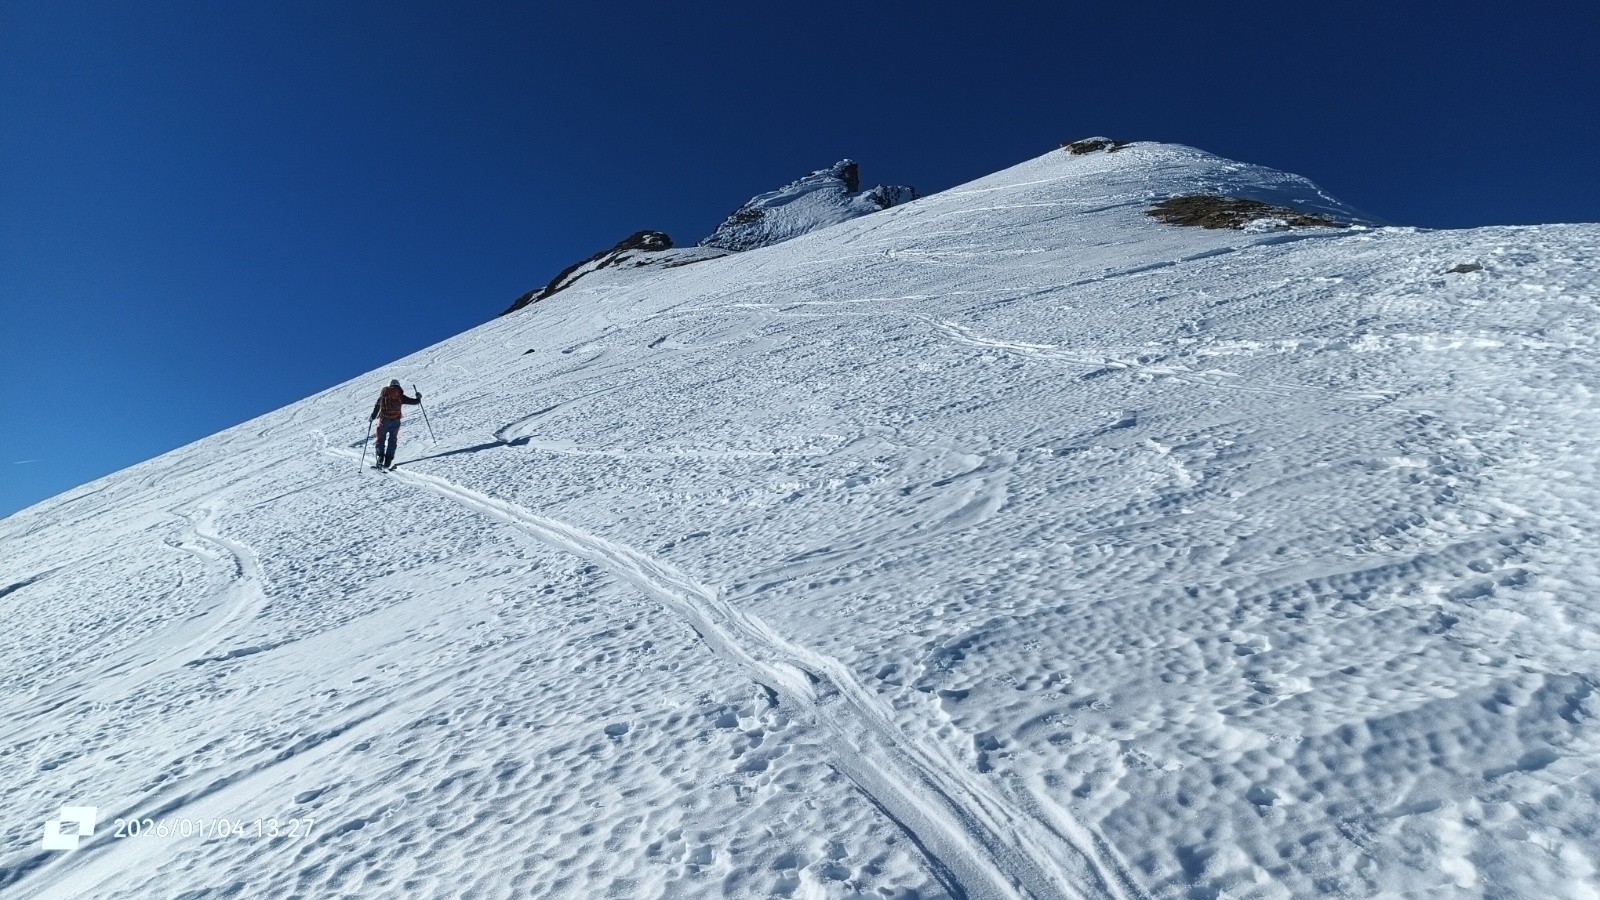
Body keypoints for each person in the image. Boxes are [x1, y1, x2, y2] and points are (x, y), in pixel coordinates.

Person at [369, 379, 421, 469]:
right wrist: (418, 397)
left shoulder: (383, 394)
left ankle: (380, 457)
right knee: (393, 439)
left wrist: (372, 417)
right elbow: (415, 402)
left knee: (381, 438)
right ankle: (388, 460)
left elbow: (377, 406)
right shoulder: (400, 395)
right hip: (396, 420)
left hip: (384, 420)